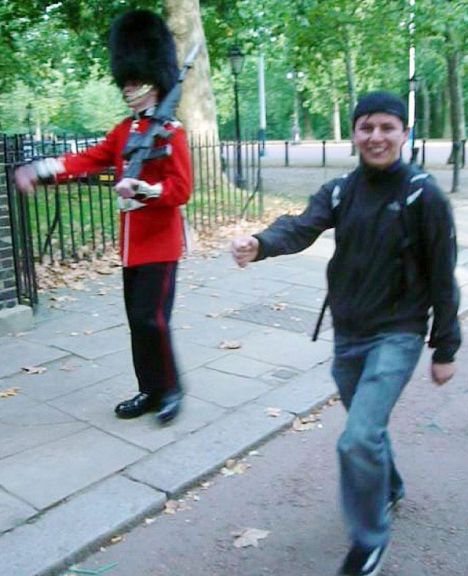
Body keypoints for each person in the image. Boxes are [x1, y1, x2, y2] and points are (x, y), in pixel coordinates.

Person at [231, 91, 461, 576]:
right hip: (348, 334)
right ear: (354, 133)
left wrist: (445, 347)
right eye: (366, 127)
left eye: (386, 127)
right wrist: (261, 243)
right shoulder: (340, 191)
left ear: (404, 132)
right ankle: (389, 486)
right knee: (366, 431)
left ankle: (369, 540)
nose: (375, 137)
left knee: (355, 439)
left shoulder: (424, 195)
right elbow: (301, 226)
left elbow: (444, 275)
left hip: (397, 335)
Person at [15, 10, 192, 425]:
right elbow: (86, 160)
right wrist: (43, 171)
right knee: (137, 322)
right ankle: (149, 389)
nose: (128, 88)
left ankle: (171, 389)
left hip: (161, 243)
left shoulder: (173, 132)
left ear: (154, 80)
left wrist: (146, 190)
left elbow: (181, 190)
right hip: (132, 245)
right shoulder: (123, 131)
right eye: (125, 81)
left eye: (135, 81)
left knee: (154, 319)